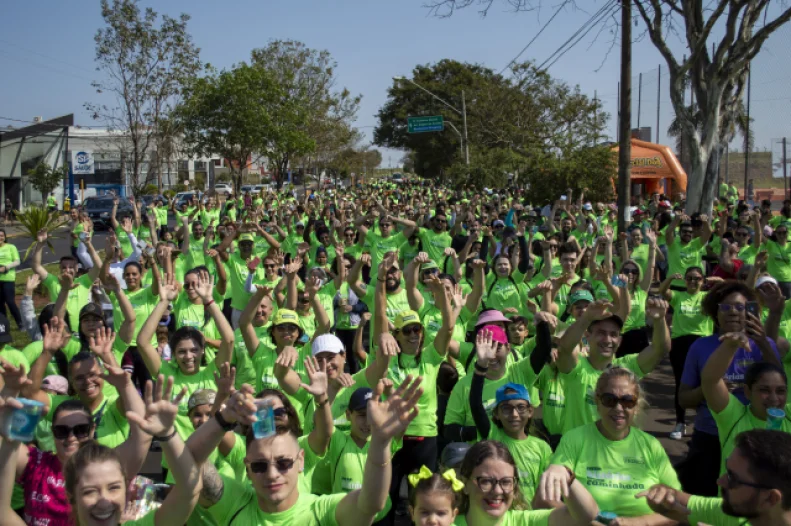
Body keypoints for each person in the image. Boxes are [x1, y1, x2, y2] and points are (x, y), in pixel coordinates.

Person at [188, 375, 423, 524]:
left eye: (283, 463)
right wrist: (222, 418)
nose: (272, 474)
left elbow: (370, 504)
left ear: (301, 460)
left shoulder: (319, 510)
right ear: (247, 468)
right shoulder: (235, 503)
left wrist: (381, 443)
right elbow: (188, 461)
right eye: (259, 466)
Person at [0, 372, 202, 526]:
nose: (104, 500)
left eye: (114, 487)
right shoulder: (36, 461)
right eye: (89, 491)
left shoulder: (107, 463)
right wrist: (8, 396)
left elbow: (189, 490)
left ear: (127, 486)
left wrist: (167, 433)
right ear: (71, 497)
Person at [679, 280, 781, 496]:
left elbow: (781, 388)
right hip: (709, 437)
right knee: (702, 503)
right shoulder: (700, 347)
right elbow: (684, 399)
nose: (733, 312)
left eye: (740, 307)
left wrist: (762, 341)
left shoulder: (763, 345)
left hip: (755, 439)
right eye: (725, 307)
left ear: (751, 311)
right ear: (715, 313)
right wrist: (713, 386)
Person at [547, 366, 681, 520]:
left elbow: (677, 507)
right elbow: (548, 500)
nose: (618, 408)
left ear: (636, 406)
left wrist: (634, 523)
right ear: (597, 401)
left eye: (627, 401)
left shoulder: (651, 445)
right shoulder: (574, 439)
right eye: (609, 400)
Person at [555, 297, 670, 433]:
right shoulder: (576, 367)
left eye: (613, 334)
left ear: (620, 341)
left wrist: (660, 320)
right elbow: (565, 348)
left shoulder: (626, 368)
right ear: (587, 336)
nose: (608, 340)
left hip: (614, 451)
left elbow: (660, 350)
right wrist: (586, 318)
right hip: (579, 451)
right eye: (601, 333)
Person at [639, 430, 791, 526]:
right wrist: (660, 493)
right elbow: (677, 504)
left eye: (733, 478)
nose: (720, 481)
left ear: (770, 498)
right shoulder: (735, 512)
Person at [702, 330, 789, 477]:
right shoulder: (733, 415)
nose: (774, 398)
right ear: (747, 392)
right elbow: (710, 381)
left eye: (781, 391)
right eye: (764, 390)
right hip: (734, 500)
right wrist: (730, 346)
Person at [455, 440, 599, 525]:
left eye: (506, 482)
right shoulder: (444, 522)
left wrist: (566, 475)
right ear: (465, 484)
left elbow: (586, 517)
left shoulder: (527, 522)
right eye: (486, 481)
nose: (498, 491)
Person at [658, 266, 714, 440]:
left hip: (703, 343)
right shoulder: (679, 296)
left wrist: (717, 281)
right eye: (689, 278)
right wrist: (670, 278)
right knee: (682, 384)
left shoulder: (707, 298)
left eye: (697, 278)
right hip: (681, 344)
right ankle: (680, 423)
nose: (692, 281)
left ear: (702, 281)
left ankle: (704, 423)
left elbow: (729, 290)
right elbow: (662, 291)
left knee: (706, 384)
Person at [0, 230, 21, 329]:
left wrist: (6, 267)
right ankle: (4, 325)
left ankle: (20, 323)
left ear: (4, 237)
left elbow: (17, 261)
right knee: (0, 304)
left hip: (8, 278)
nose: (0, 238)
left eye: (1, 236)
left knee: (10, 301)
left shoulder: (11, 247)